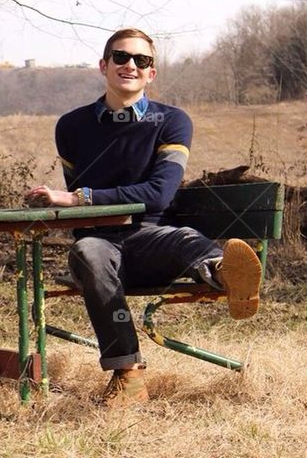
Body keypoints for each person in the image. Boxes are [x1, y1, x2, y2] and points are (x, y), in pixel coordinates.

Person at [24, 27, 262, 406]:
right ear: (104, 65)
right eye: (121, 57)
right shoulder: (71, 126)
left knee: (184, 238)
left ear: (152, 73)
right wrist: (66, 201)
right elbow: (81, 205)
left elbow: (159, 194)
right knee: (89, 251)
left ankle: (226, 275)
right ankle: (128, 376)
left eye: (142, 60)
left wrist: (79, 197)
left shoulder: (172, 121)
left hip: (151, 241)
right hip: (98, 246)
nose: (130, 65)